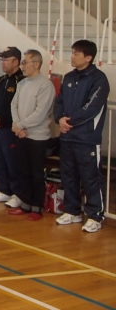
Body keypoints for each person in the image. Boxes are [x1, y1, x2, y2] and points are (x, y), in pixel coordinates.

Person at [54, 40, 110, 233]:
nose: (72, 57)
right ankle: (72, 211)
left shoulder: (98, 79)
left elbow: (91, 108)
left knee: (90, 177)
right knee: (68, 175)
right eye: (72, 53)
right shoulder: (69, 77)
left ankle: (95, 216)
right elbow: (59, 101)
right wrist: (59, 119)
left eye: (76, 54)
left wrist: (69, 121)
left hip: (87, 138)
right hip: (67, 137)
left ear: (88, 57)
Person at [8, 49, 55, 221]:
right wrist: (17, 126)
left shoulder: (45, 85)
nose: (22, 66)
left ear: (36, 64)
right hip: (21, 134)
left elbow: (40, 113)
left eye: (24, 62)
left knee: (36, 173)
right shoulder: (22, 83)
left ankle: (37, 207)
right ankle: (26, 203)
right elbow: (14, 105)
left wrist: (20, 125)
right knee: (23, 171)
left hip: (37, 137)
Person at [0, 48, 25, 208]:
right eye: (1, 60)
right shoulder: (1, 80)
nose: (2, 63)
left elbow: (19, 108)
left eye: (5, 60)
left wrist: (2, 120)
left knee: (12, 161)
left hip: (11, 128)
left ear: (16, 61)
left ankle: (17, 193)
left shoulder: (21, 81)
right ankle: (4, 190)